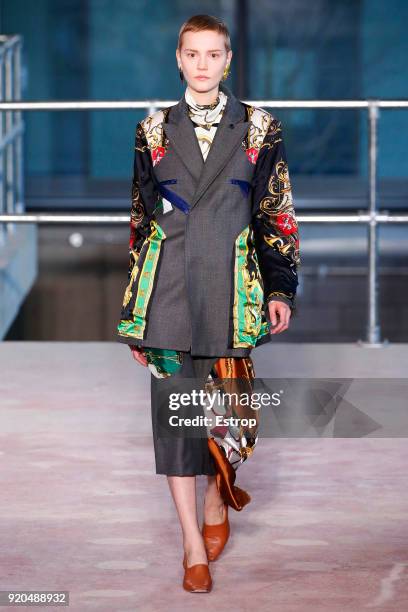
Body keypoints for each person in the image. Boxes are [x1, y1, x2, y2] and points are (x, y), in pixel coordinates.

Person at [116, 14, 300, 593]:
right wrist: (135, 315)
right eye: (191, 54)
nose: (201, 64)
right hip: (168, 289)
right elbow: (141, 223)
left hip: (232, 291)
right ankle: (192, 541)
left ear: (227, 60)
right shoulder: (152, 131)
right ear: (178, 59)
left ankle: (220, 496)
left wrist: (279, 287)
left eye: (212, 54)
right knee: (176, 421)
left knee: (229, 417)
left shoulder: (260, 128)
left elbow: (276, 210)